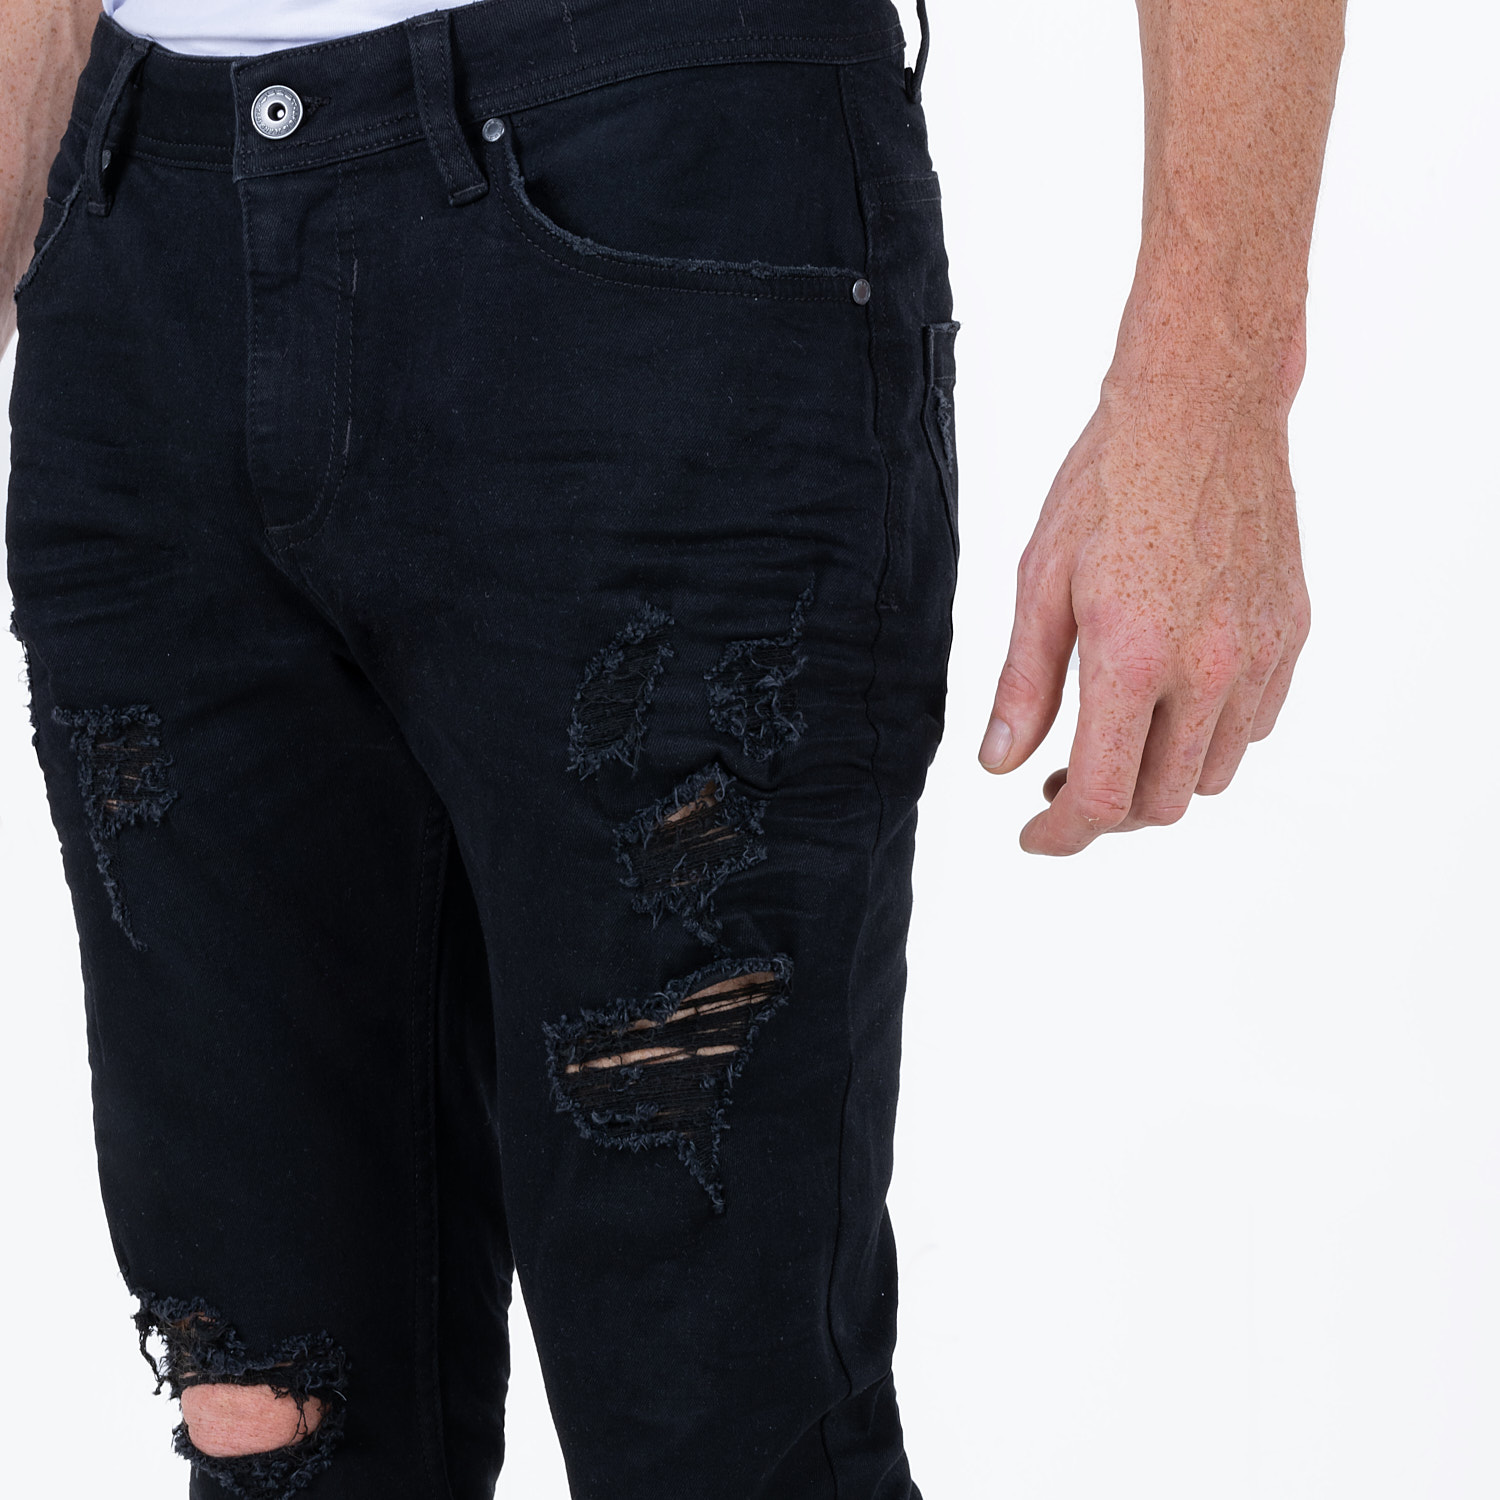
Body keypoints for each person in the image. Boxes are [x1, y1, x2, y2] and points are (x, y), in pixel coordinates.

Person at [0, 1, 1343, 1496]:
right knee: (270, 1400)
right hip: (139, 237)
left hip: (649, 199)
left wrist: (1211, 391)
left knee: (717, 1403)